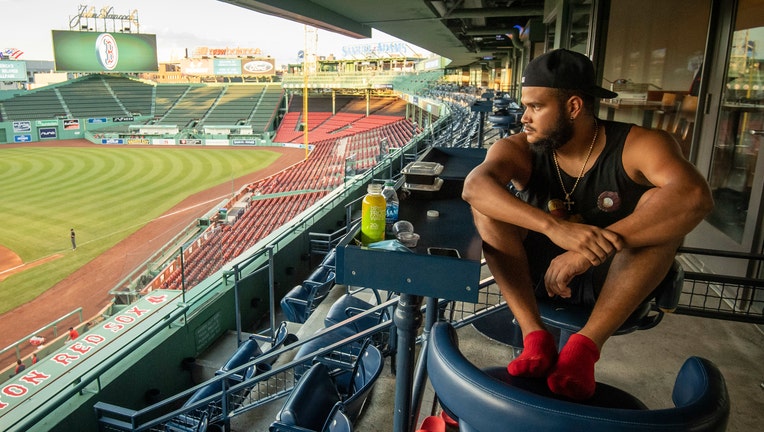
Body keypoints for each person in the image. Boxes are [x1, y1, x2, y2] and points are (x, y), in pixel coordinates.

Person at [462, 49, 713, 400]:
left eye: (535, 107)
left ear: (574, 107)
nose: (523, 118)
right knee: (487, 209)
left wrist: (587, 251)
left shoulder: (639, 144)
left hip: (613, 284)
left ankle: (583, 350)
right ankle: (535, 337)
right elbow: (474, 187)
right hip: (537, 279)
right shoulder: (519, 148)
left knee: (662, 214)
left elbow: (695, 197)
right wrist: (555, 228)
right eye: (525, 106)